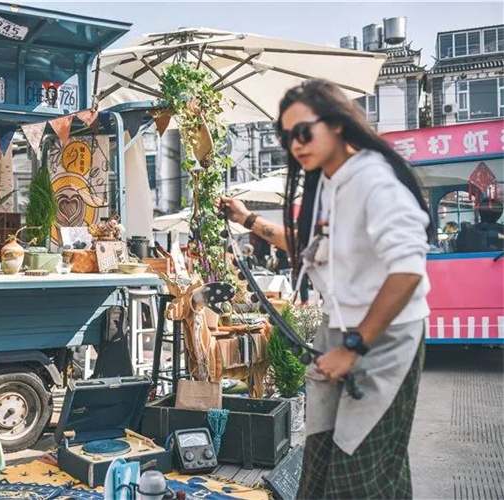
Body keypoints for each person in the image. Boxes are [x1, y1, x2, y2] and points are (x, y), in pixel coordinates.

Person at [219, 79, 432, 499]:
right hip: (338, 332)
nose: (296, 145)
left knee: (359, 469)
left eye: (303, 131)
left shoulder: (375, 180)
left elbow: (408, 271)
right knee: (321, 459)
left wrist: (353, 347)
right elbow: (309, 245)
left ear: (336, 123)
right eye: (287, 137)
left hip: (383, 340)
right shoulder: (332, 183)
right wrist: (247, 220)